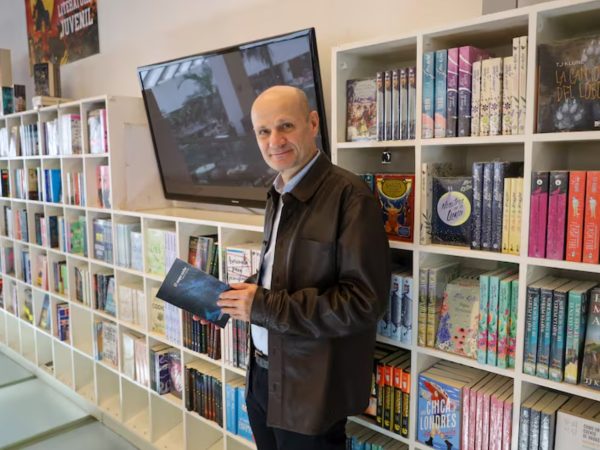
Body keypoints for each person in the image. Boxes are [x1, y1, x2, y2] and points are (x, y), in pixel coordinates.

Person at [216, 85, 391, 450]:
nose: (274, 141)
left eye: (286, 126)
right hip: (262, 377)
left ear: (312, 123)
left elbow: (363, 303)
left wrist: (262, 305)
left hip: (310, 390)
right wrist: (238, 296)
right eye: (263, 131)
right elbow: (282, 272)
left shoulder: (351, 197)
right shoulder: (278, 192)